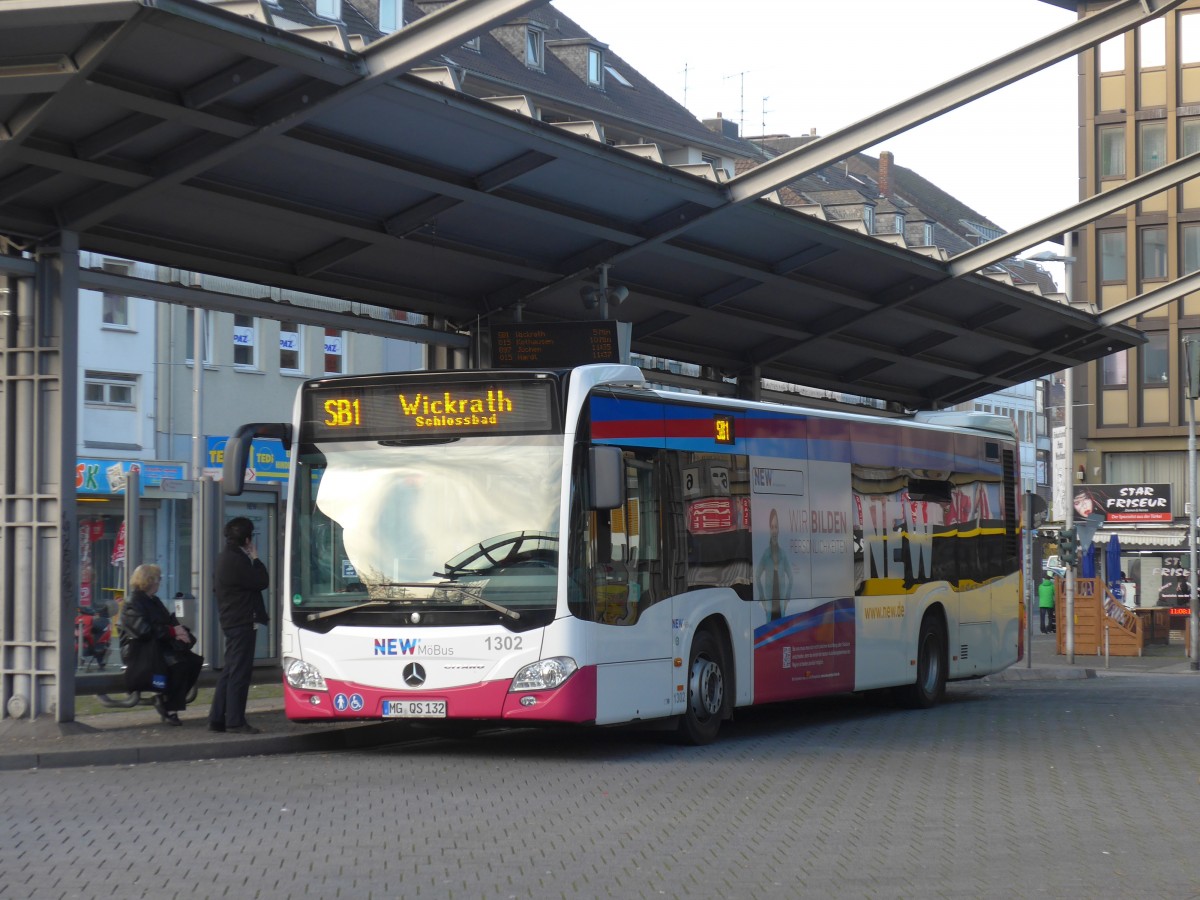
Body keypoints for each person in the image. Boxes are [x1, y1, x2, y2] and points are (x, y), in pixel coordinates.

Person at [119, 564, 202, 726]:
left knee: (192, 662)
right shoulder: (133, 602)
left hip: (156, 647)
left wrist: (181, 631)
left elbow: (167, 622)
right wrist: (172, 631)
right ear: (149, 581)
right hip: (140, 651)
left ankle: (167, 701)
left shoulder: (154, 601)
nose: (160, 582)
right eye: (158, 579)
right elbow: (143, 630)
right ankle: (170, 707)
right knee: (179, 664)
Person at [209, 517, 270, 735]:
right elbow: (262, 581)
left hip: (231, 619)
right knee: (239, 673)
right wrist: (255, 557)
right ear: (247, 539)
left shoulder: (223, 558)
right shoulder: (239, 560)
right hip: (242, 621)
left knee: (230, 670)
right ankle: (235, 721)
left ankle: (217, 718)